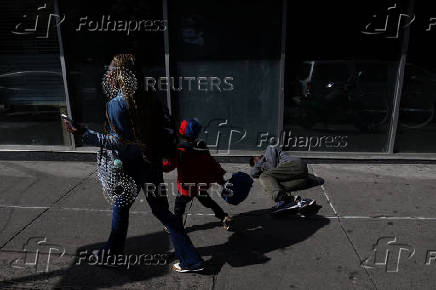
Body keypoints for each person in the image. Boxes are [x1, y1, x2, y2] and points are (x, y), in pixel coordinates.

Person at [64, 54, 204, 273]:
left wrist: (85, 133)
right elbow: (161, 129)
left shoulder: (117, 104)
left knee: (122, 208)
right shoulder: (150, 96)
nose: (107, 74)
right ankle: (191, 259)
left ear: (122, 75)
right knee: (160, 212)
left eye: (110, 70)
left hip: (129, 166)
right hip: (152, 163)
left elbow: (120, 143)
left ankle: (112, 255)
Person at [162, 118, 232, 230]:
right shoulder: (202, 149)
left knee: (179, 207)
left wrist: (159, 162)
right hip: (200, 186)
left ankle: (176, 226)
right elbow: (213, 165)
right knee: (209, 202)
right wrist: (221, 181)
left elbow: (167, 167)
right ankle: (224, 217)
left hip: (186, 189)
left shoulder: (180, 151)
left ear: (181, 134)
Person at [249, 145, 316, 214]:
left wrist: (260, 163)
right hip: (301, 179)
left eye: (257, 165)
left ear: (256, 159)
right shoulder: (265, 167)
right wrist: (260, 164)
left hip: (294, 165)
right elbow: (253, 173)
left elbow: (272, 166)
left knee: (264, 176)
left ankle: (284, 200)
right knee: (274, 185)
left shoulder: (269, 149)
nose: (260, 168)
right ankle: (300, 202)